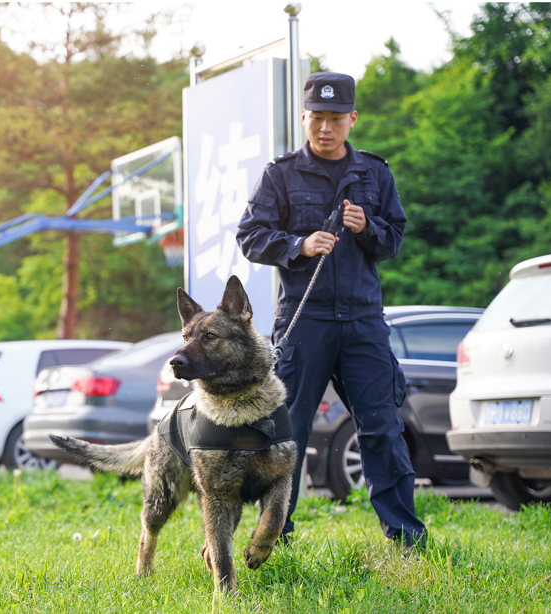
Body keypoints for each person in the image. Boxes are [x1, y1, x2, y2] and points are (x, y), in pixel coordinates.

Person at [236, 72, 427, 549]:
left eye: (335, 119)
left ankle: (406, 541)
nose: (325, 127)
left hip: (363, 322)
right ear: (304, 117)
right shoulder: (279, 174)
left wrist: (368, 229)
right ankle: (274, 538)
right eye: (317, 118)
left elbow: (394, 239)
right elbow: (250, 236)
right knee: (288, 434)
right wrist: (298, 245)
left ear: (352, 120)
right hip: (305, 321)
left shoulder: (375, 174)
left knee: (383, 428)